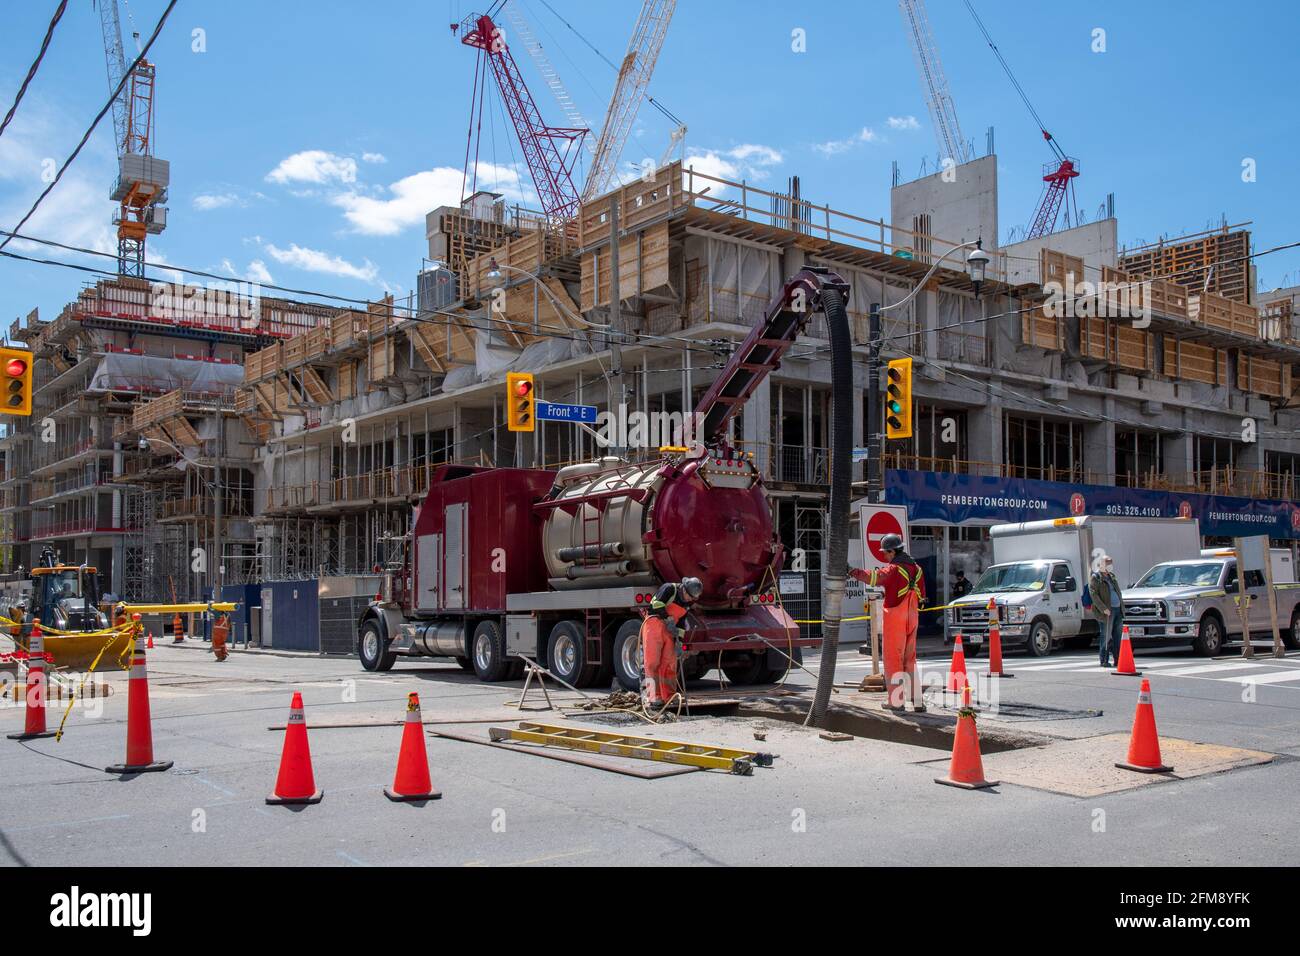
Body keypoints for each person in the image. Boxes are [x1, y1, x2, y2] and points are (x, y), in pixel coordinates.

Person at [849, 534, 926, 712]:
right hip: (913, 616)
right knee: (910, 659)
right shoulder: (918, 569)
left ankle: (896, 702)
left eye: (886, 553)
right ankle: (917, 701)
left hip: (895, 616)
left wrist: (852, 571)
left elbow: (873, 578)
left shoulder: (894, 569)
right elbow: (921, 595)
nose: (884, 556)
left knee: (893, 658)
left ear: (893, 551)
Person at [640, 577, 702, 708]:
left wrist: (679, 641)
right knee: (652, 663)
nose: (690, 600)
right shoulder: (669, 588)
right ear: (684, 589)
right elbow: (655, 604)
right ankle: (652, 696)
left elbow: (681, 622)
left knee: (670, 664)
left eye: (692, 598)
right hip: (654, 624)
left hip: (670, 630)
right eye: (689, 596)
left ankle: (669, 695)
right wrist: (667, 618)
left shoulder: (688, 603)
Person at [1089, 556, 1124, 668]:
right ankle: (1104, 660)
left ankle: (1118, 660)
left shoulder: (1112, 576)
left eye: (1110, 563)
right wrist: (1103, 608)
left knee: (1117, 636)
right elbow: (1094, 595)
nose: (1110, 565)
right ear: (1101, 565)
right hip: (1107, 612)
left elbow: (1117, 592)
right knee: (1106, 636)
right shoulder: (1096, 577)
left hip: (1118, 610)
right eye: (1108, 563)